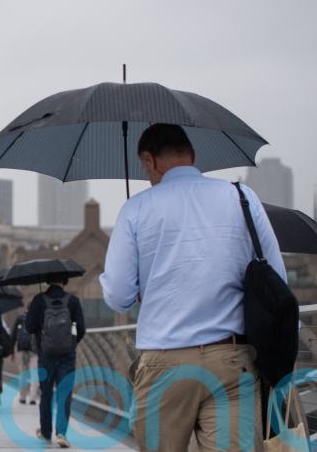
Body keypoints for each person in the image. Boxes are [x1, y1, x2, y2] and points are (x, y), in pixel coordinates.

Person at [99, 123, 286, 452]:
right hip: (232, 358)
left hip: (165, 362)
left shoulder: (137, 209)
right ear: (193, 156)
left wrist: (145, 285)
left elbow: (118, 296)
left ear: (149, 160)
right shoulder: (242, 198)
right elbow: (276, 278)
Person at [26, 277, 85, 448]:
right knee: (64, 393)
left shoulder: (38, 300)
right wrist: (71, 344)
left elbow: (29, 327)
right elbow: (81, 328)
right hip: (68, 355)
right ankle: (61, 433)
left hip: (45, 355)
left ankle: (45, 432)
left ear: (47, 281)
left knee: (46, 394)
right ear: (65, 280)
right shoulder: (73, 301)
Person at [11, 304, 39, 405]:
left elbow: (13, 334)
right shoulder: (39, 318)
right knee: (35, 374)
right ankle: (32, 397)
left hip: (22, 350)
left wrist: (11, 351)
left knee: (23, 374)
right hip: (35, 351)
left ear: (26, 309)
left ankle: (22, 397)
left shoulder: (20, 318)